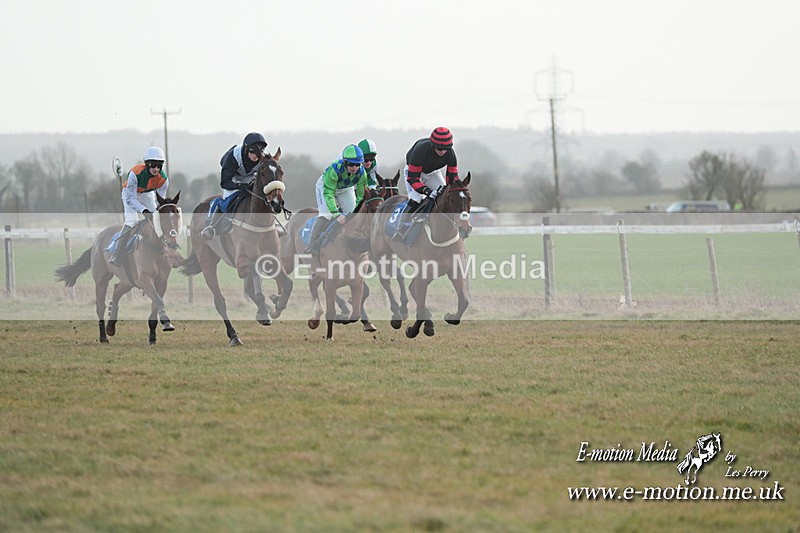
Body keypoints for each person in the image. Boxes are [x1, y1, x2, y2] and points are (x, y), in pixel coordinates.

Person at [393, 127, 459, 240]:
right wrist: (427, 191)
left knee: (445, 195)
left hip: (432, 173)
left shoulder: (451, 154)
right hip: (413, 173)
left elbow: (452, 179)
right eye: (439, 148)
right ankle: (400, 228)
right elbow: (413, 179)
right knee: (416, 199)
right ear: (433, 145)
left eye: (446, 148)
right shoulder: (421, 150)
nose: (443, 151)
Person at [200, 132, 268, 240]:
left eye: (259, 152)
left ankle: (271, 226)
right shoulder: (233, 157)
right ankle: (211, 227)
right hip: (232, 176)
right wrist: (239, 185)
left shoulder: (263, 159)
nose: (256, 156)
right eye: (253, 152)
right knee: (229, 199)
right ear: (246, 150)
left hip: (250, 176)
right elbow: (225, 183)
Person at [109, 146, 169, 266]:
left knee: (156, 219)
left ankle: (165, 249)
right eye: (153, 165)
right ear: (147, 165)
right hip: (130, 194)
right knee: (132, 221)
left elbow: (159, 201)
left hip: (147, 194)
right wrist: (144, 210)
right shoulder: (135, 173)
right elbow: (131, 199)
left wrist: (157, 211)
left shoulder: (163, 180)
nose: (156, 169)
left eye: (159, 166)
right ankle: (117, 254)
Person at [305, 144, 368, 255]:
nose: (355, 168)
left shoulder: (362, 173)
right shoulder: (335, 169)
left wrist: (354, 212)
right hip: (326, 187)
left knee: (353, 213)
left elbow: (360, 195)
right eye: (351, 164)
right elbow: (329, 193)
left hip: (345, 188)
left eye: (357, 165)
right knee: (326, 215)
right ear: (345, 162)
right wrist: (337, 214)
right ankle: (312, 246)